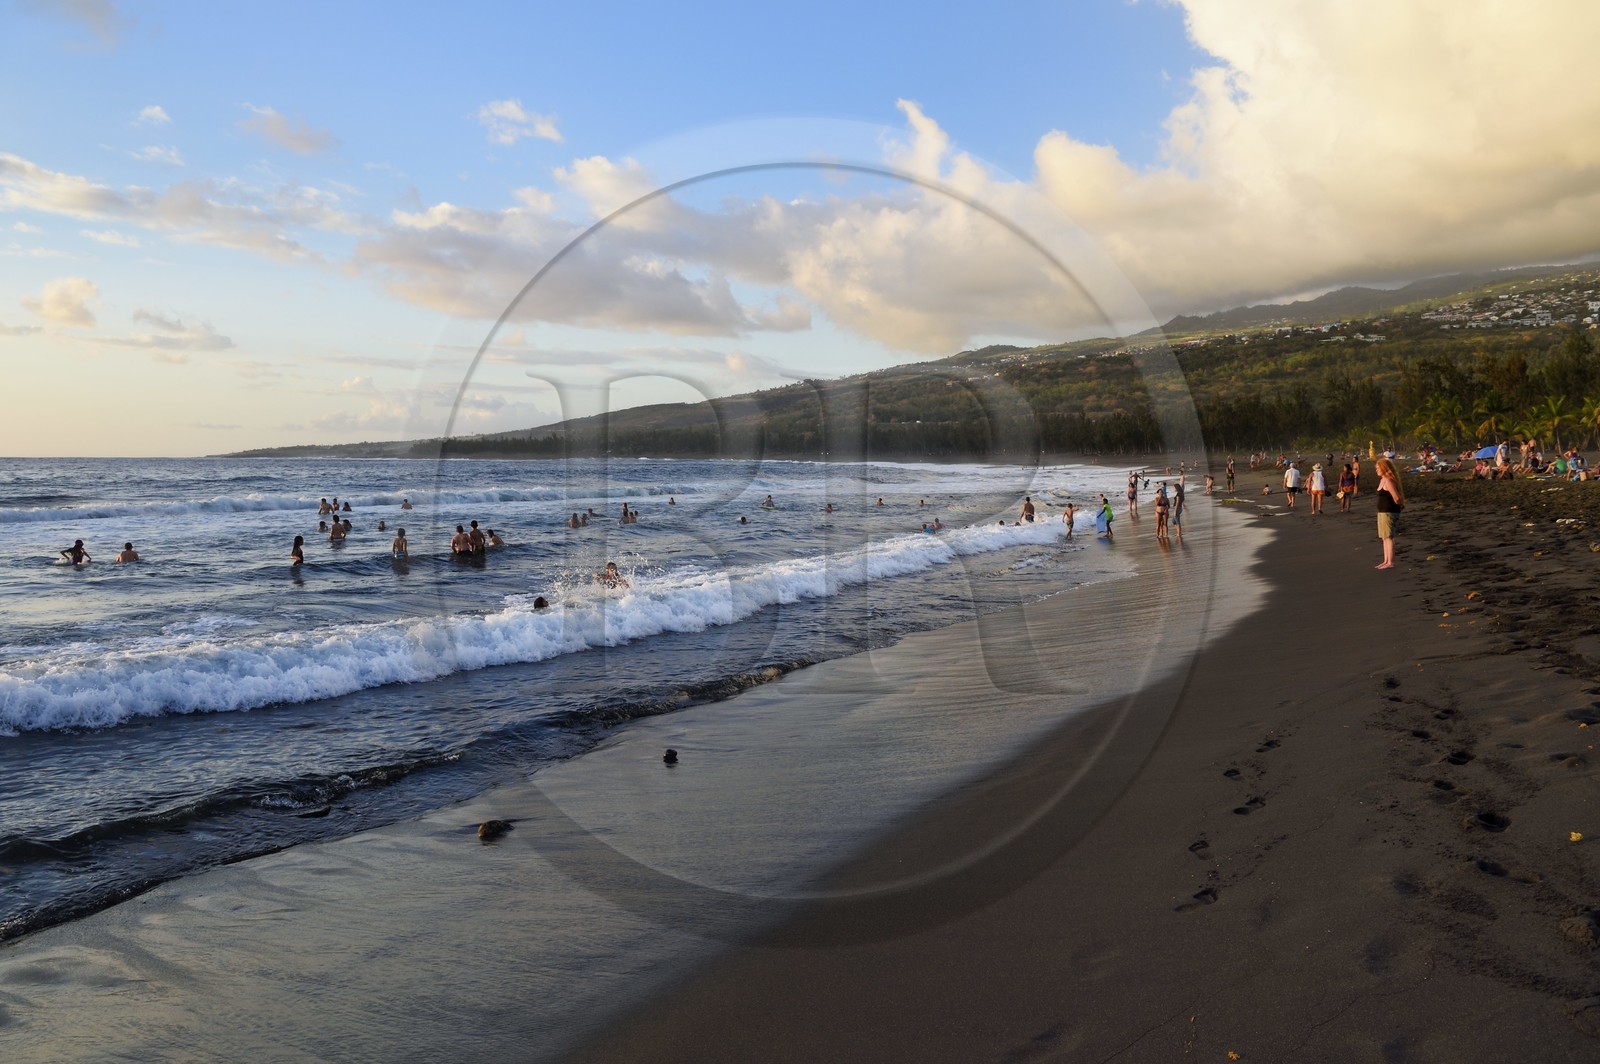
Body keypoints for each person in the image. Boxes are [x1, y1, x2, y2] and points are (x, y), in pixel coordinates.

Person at [1375, 457, 1404, 570]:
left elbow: (1396, 497)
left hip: (1389, 512)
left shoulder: (1389, 480)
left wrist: (1400, 506)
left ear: (1384, 468)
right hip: (1382, 512)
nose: (1376, 470)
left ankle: (1390, 562)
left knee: (1388, 537)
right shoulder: (1383, 480)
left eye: (1378, 468)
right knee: (1384, 537)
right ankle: (1386, 560)